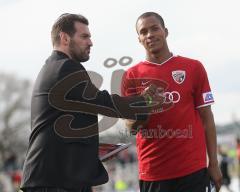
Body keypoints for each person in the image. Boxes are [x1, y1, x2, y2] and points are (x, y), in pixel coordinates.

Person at [20, 13, 165, 192]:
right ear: (64, 38)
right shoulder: (65, 68)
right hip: (53, 182)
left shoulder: (53, 67)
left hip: (56, 180)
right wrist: (146, 100)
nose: (90, 42)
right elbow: (104, 103)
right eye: (84, 36)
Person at [121, 12, 222, 192]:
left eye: (154, 28)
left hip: (193, 171)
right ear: (139, 39)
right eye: (144, 32)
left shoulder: (193, 67)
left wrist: (213, 163)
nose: (150, 34)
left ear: (165, 31)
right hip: (154, 173)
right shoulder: (131, 76)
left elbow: (207, 118)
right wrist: (145, 105)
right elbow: (131, 128)